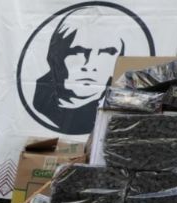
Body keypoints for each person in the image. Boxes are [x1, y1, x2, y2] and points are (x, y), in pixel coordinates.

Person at [32, 6, 125, 135]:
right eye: (79, 51)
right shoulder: (40, 102)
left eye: (107, 52)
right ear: (56, 56)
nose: (90, 65)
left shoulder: (123, 107)